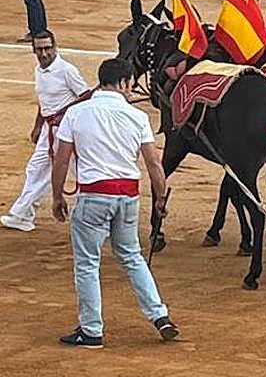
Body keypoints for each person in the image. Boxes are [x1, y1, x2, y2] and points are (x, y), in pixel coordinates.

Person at [51, 58, 180, 349]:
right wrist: (160, 197)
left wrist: (57, 195)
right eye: (131, 84)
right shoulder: (137, 117)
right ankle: (160, 315)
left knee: (87, 264)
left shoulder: (77, 113)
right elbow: (154, 164)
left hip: (94, 196)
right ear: (122, 83)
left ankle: (92, 330)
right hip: (128, 197)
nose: (132, 90)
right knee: (132, 257)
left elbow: (61, 160)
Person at [1, 31, 92, 233]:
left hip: (68, 130)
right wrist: (37, 125)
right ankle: (23, 214)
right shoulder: (39, 70)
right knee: (37, 168)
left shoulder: (67, 70)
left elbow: (86, 96)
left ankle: (97, 217)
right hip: (48, 130)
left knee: (80, 171)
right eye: (40, 49)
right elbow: (44, 102)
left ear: (55, 47)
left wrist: (64, 116)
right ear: (34, 50)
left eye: (47, 48)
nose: (44, 53)